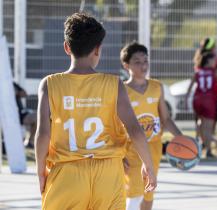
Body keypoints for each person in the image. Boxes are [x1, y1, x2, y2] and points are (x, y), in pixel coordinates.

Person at [35, 13, 156, 210]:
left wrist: (41, 171)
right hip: (107, 174)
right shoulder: (114, 84)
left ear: (67, 47)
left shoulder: (49, 84)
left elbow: (43, 134)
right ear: (98, 49)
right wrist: (148, 165)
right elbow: (134, 130)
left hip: (67, 172)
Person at [120, 41, 182, 210]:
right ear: (126, 65)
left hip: (153, 147)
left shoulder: (157, 87)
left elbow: (166, 119)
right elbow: (114, 124)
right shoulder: (122, 90)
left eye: (145, 60)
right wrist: (119, 152)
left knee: (148, 193)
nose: (143, 65)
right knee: (134, 192)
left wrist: (181, 138)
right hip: (131, 148)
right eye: (137, 62)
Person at [186, 48, 217, 158]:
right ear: (208, 61)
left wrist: (186, 100)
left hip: (197, 99)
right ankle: (208, 150)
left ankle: (199, 144)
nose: (216, 61)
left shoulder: (197, 71)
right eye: (214, 59)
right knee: (208, 128)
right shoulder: (215, 72)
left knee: (200, 124)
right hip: (209, 100)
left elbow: (189, 89)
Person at [13, 82, 37, 148]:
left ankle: (29, 142)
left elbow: (25, 94)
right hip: (9, 115)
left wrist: (16, 93)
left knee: (37, 117)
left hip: (20, 113)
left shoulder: (12, 84)